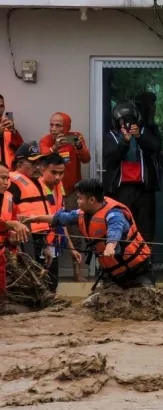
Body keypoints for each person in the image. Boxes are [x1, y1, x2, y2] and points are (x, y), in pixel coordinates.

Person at [22, 178, 155, 289]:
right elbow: (60, 218)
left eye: (79, 198)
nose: (77, 201)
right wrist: (35, 218)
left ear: (91, 200)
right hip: (114, 274)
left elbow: (115, 230)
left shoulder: (114, 213)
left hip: (138, 270)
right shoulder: (81, 214)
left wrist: (110, 246)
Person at [39, 112, 90, 281]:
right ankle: (48, 274)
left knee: (75, 231)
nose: (54, 128)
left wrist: (79, 146)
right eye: (52, 124)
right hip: (51, 192)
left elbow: (86, 159)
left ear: (67, 127)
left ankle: (78, 271)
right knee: (49, 230)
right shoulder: (46, 140)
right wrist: (54, 148)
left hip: (72, 194)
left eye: (58, 125)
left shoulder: (74, 138)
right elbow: (43, 158)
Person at [102, 102, 162, 243]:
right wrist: (125, 142)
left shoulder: (143, 132)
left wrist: (140, 136)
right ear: (116, 122)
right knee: (122, 225)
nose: (127, 124)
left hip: (144, 189)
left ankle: (145, 261)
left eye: (130, 120)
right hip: (121, 190)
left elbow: (156, 148)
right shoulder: (111, 136)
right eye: (123, 120)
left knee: (145, 228)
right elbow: (111, 156)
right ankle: (124, 259)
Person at [8, 142, 56, 289]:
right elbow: (7, 216)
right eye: (33, 162)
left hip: (38, 241)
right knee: (25, 283)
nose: (37, 167)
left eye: (39, 162)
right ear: (20, 163)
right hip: (22, 242)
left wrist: (46, 246)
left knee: (39, 280)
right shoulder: (11, 184)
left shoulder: (39, 184)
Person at [39, 154, 82, 283]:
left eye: (61, 173)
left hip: (54, 244)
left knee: (52, 282)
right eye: (53, 172)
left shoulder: (59, 187)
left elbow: (61, 220)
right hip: (39, 245)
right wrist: (43, 245)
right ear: (43, 169)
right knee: (43, 283)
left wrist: (71, 249)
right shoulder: (37, 190)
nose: (57, 177)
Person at [0, 164, 31, 303]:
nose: (6, 182)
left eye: (7, 178)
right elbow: (9, 223)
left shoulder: (9, 198)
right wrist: (10, 225)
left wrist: (12, 235)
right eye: (2, 178)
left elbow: (12, 221)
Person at [0, 95, 23, 169]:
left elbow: (21, 148)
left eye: (1, 106)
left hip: (9, 170)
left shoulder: (7, 125)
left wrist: (13, 131)